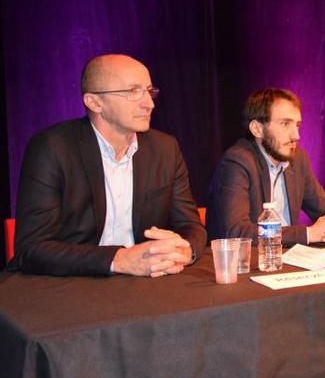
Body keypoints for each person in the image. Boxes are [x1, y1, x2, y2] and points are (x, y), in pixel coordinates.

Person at [11, 54, 206, 277]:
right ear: (95, 102)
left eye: (149, 91)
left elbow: (191, 226)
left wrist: (185, 249)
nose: (149, 103)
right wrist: (120, 259)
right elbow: (31, 248)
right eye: (133, 92)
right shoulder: (52, 148)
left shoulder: (165, 148)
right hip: (70, 285)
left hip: (146, 284)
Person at [207, 88, 325, 245]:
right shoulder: (237, 161)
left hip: (289, 258)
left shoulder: (298, 159)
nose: (296, 135)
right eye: (285, 124)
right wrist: (307, 233)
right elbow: (236, 231)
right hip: (247, 264)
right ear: (257, 129)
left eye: (297, 125)